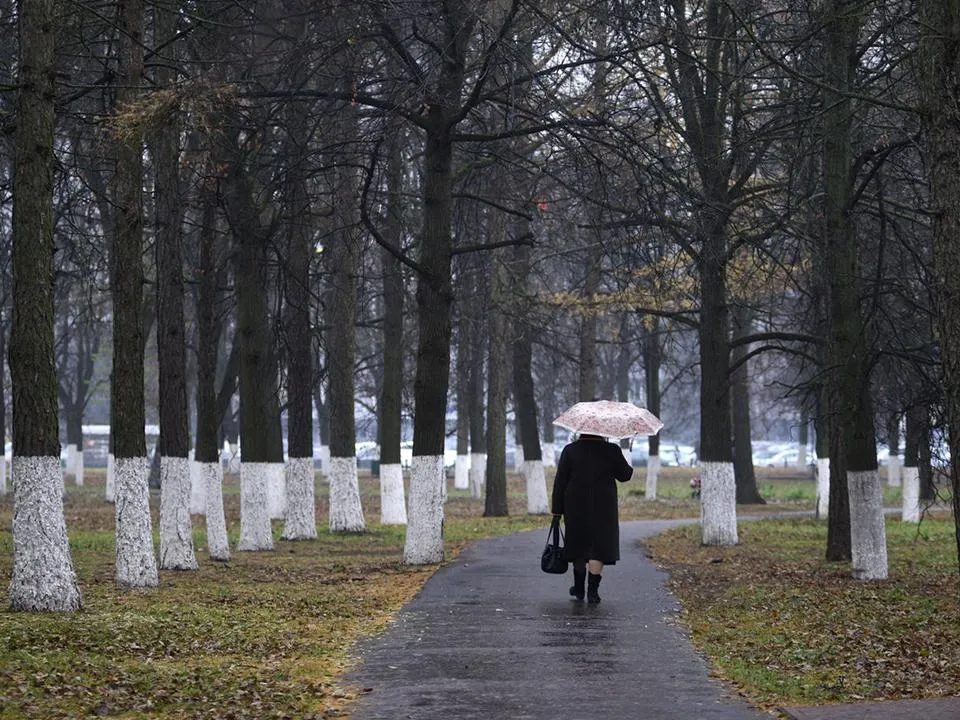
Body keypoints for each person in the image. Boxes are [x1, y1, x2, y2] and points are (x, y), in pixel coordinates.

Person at [550, 433, 634, 603]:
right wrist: (626, 456)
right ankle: (592, 592)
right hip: (604, 507)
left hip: (575, 506)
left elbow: (560, 482)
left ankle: (579, 588)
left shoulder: (570, 450)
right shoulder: (612, 450)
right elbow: (625, 475)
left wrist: (557, 511)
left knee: (578, 546)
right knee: (598, 547)